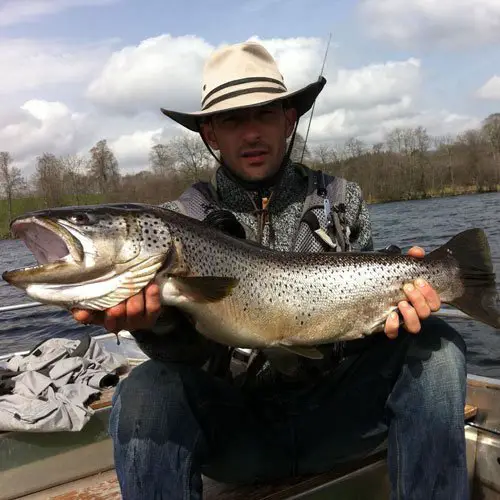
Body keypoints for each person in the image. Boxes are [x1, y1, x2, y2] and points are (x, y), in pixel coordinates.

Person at [72, 42, 468, 500]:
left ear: (289, 120)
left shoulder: (342, 199)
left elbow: (366, 335)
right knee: (143, 392)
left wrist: (400, 314)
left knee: (438, 346)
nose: (251, 133)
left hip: (340, 420)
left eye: (264, 114)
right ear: (210, 134)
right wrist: (157, 325)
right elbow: (187, 362)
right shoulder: (176, 223)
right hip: (238, 432)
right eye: (233, 120)